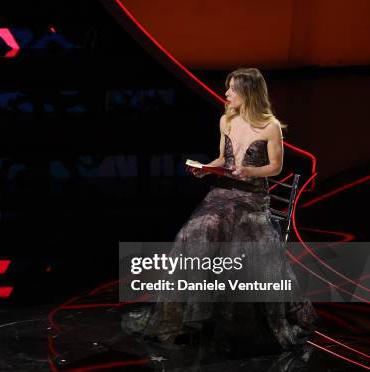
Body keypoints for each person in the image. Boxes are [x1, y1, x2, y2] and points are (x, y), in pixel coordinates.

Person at [124, 68, 316, 353]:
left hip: (252, 196)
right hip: (224, 192)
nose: (226, 94)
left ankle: (238, 321)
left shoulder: (270, 126)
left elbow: (275, 166)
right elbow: (221, 158)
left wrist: (249, 169)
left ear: (248, 93)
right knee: (194, 233)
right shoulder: (226, 119)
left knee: (243, 242)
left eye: (232, 89)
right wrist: (207, 170)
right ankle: (188, 316)